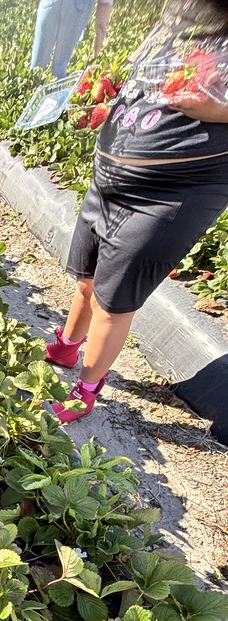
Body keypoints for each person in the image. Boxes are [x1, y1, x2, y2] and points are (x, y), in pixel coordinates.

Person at [46, 0, 228, 423]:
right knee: (88, 282)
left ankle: (86, 390)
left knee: (114, 302)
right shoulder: (183, 23)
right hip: (110, 180)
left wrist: (218, 109)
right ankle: (67, 345)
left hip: (169, 196)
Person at [31, 0, 115, 80]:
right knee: (59, 67)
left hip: (50, 3)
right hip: (77, 6)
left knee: (37, 64)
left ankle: (32, 87)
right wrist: (96, 57)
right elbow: (103, 16)